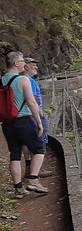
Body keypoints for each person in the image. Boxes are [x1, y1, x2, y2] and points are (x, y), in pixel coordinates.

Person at [1, 51, 48, 198]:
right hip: (23, 121)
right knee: (39, 149)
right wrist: (39, 122)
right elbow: (31, 102)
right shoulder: (22, 80)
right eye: (22, 61)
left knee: (15, 155)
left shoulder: (1, 80)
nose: (24, 64)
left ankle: (18, 188)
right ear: (16, 64)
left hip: (7, 123)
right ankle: (33, 179)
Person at [21, 57, 52, 178]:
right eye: (34, 65)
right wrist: (40, 115)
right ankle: (36, 172)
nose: (36, 67)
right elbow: (33, 100)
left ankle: (29, 168)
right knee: (39, 142)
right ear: (26, 66)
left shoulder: (19, 80)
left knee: (27, 143)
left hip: (25, 116)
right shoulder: (30, 81)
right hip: (34, 115)